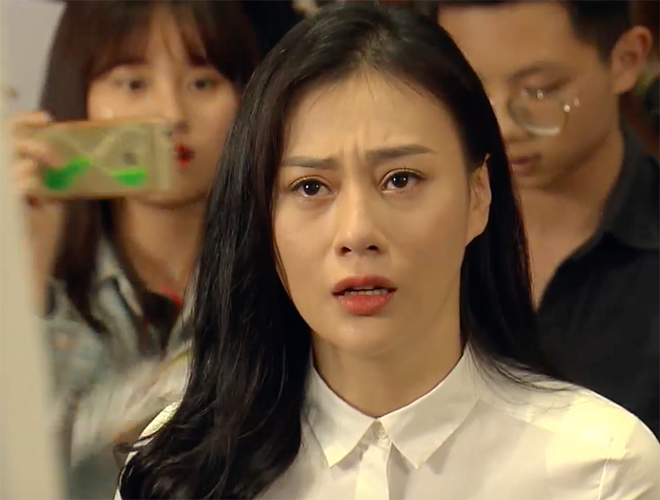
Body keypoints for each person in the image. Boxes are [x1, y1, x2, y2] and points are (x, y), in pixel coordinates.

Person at [117, 4, 660, 500]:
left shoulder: (599, 467)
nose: (357, 232)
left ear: (478, 195)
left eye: (401, 179)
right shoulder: (179, 467)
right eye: (310, 187)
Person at [9, 0, 295, 498]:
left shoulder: (287, 277)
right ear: (80, 99)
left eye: (202, 83)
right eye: (133, 84)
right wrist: (22, 274)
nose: (171, 115)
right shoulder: (42, 279)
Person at [415, 0, 660, 437]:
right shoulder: (412, 230)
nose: (502, 125)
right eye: (473, 89)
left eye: (540, 90)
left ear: (626, 60)